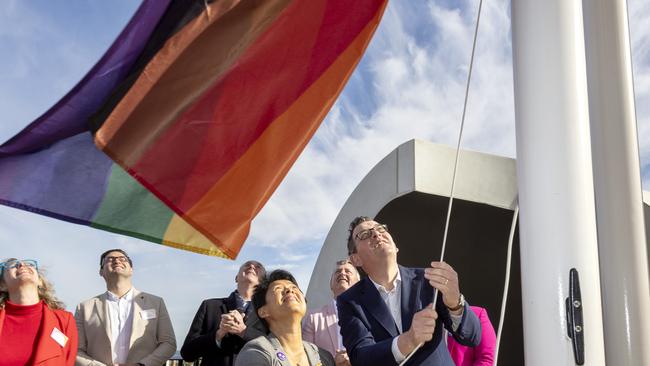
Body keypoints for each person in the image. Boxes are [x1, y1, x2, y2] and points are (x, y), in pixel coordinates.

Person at [337, 216, 482, 365]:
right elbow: (360, 358)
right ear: (355, 260)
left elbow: (472, 337)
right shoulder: (349, 301)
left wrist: (455, 303)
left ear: (395, 246)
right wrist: (408, 340)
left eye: (380, 228)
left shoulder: (428, 279)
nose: (376, 234)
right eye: (365, 234)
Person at [75, 249, 176, 366]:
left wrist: (142, 365)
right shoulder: (84, 307)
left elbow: (168, 343)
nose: (117, 260)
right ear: (101, 271)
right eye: (110, 259)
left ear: (131, 269)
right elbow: (76, 349)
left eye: (123, 259)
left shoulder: (156, 303)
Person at [235, 269, 335, 366]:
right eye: (278, 288)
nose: (289, 290)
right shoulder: (256, 352)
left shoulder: (323, 357)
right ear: (263, 311)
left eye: (294, 288)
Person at [181, 260, 268, 366]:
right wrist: (218, 335)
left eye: (257, 266)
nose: (251, 266)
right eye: (247, 265)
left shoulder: (269, 312)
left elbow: (276, 346)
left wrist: (243, 331)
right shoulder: (209, 306)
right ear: (236, 278)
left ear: (263, 283)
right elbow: (187, 353)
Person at [0, 258, 78, 366]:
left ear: (40, 281)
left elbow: (68, 362)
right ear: (2, 285)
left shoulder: (65, 320)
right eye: (12, 265)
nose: (22, 265)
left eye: (29, 264)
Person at [302, 259, 360, 365]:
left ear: (358, 284)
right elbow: (306, 359)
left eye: (348, 271)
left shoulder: (369, 315)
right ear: (331, 285)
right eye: (338, 272)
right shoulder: (313, 318)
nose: (342, 273)